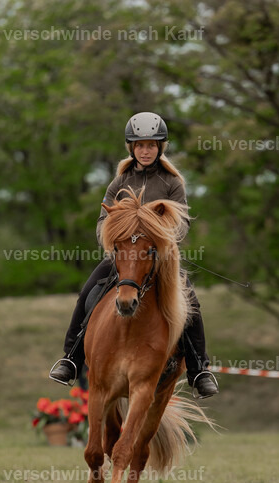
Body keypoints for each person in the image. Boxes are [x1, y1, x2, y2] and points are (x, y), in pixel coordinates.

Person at [49, 112, 218, 399]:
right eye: (140, 145)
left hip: (159, 259)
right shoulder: (118, 183)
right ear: (131, 148)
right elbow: (103, 222)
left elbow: (182, 224)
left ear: (160, 147)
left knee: (191, 303)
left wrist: (159, 238)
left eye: (151, 145)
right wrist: (114, 240)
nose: (145, 150)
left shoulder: (172, 183)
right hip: (123, 257)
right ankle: (71, 358)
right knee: (87, 293)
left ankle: (199, 369)